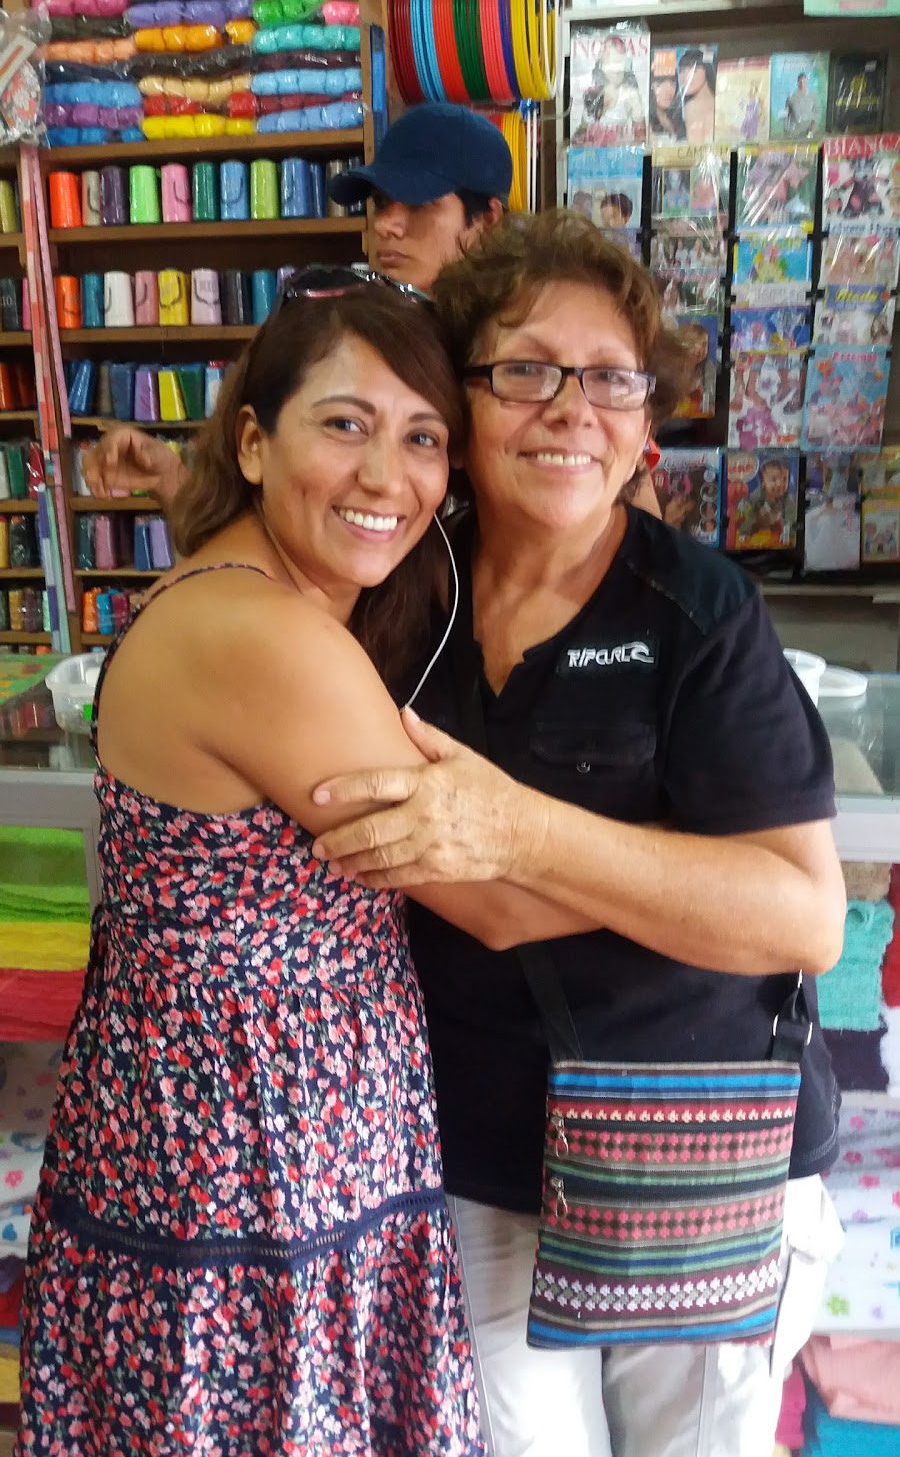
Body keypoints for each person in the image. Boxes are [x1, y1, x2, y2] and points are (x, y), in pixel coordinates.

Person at [308, 211, 847, 1457]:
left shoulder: (697, 612)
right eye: (526, 370)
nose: (570, 409)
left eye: (610, 378)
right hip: (478, 1154)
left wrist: (520, 829)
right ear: (461, 398)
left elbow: (804, 916)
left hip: (698, 1158)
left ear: (645, 416)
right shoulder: (399, 590)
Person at [17, 271, 511, 1456]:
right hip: (256, 1175)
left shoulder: (242, 594)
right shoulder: (268, 637)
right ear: (251, 442)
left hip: (227, 1155)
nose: (387, 475)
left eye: (423, 437)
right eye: (345, 423)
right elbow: (496, 895)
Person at [81, 103, 511, 509]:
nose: (385, 224)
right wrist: (172, 480)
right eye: (381, 203)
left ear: (487, 221)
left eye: (418, 204)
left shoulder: (511, 366)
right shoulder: (342, 333)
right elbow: (281, 519)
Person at [678, 47, 716, 144]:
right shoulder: (690, 106)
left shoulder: (721, 102)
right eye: (682, 70)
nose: (685, 77)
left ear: (707, 70)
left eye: (693, 70)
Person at [784, 72, 819, 138]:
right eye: (800, 82)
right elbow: (786, 114)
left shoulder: (813, 96)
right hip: (795, 132)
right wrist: (786, 130)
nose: (802, 84)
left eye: (804, 82)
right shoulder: (791, 97)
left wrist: (812, 129)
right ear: (797, 83)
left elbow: (817, 112)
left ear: (807, 82)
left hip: (808, 130)